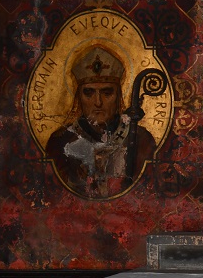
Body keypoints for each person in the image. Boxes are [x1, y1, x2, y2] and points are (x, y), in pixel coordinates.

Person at [46, 46, 157, 199]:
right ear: (78, 97)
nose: (98, 102)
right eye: (89, 92)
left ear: (119, 96)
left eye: (107, 92)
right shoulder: (60, 141)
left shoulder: (141, 139)